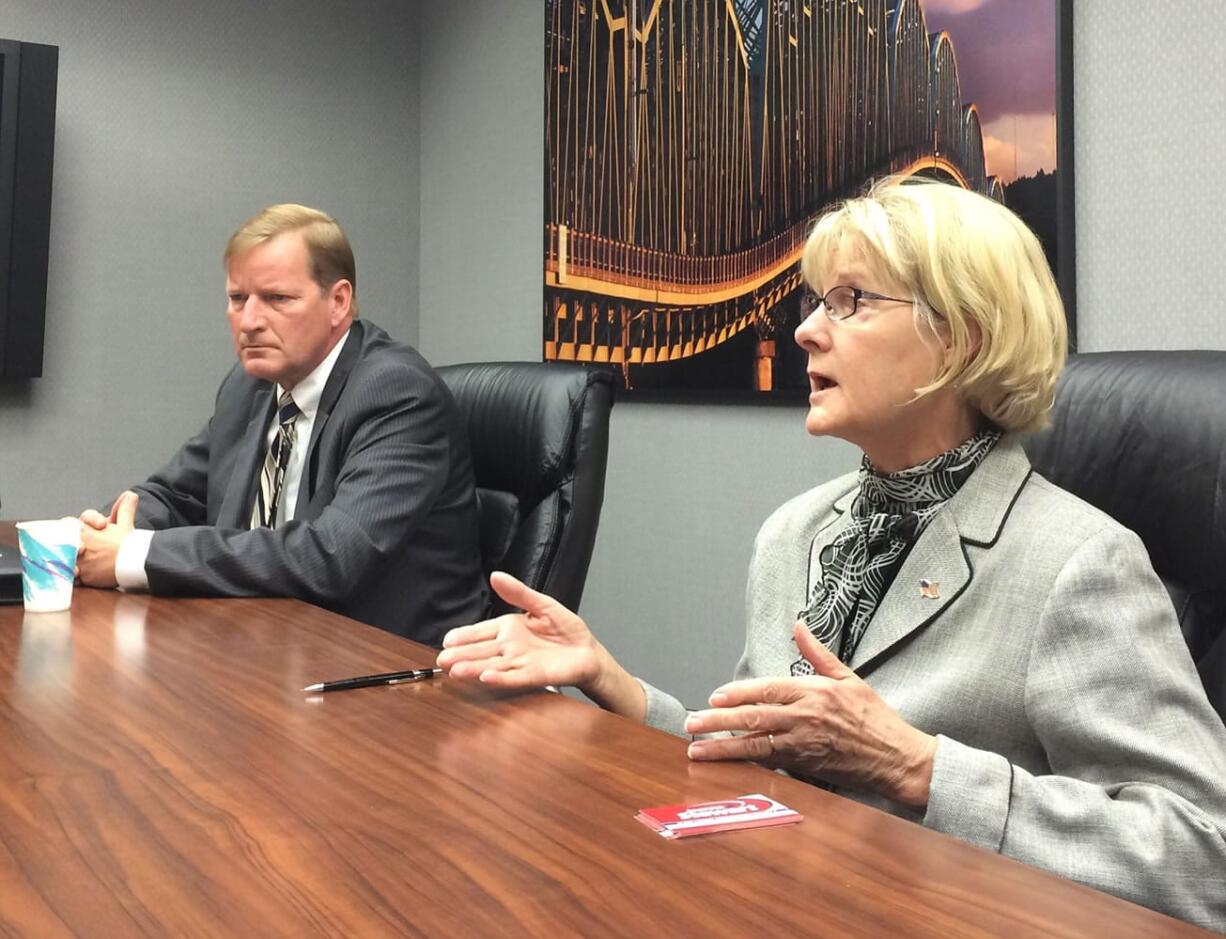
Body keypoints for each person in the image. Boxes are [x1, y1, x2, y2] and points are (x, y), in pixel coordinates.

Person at [436, 179, 1226, 929]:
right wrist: (610, 679)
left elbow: (1203, 859)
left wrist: (921, 768)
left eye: (851, 301)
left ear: (963, 336)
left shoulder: (1080, 563)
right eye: (817, 301)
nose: (806, 328)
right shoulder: (796, 531)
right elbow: (766, 762)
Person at [76, 204, 486, 644]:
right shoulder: (250, 386)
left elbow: (331, 557)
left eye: (277, 299)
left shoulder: (396, 392)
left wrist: (134, 554)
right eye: (238, 299)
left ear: (338, 301)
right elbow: (176, 494)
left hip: (394, 667)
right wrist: (98, 534)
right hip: (270, 645)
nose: (249, 322)